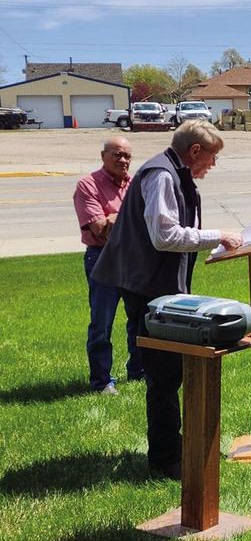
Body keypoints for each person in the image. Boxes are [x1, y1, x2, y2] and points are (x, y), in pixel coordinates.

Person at [92, 121, 242, 479]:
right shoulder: (161, 175)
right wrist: (216, 236)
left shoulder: (174, 172)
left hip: (159, 288)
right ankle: (165, 459)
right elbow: (164, 235)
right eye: (212, 156)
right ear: (194, 152)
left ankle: (179, 449)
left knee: (171, 372)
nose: (213, 164)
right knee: (163, 375)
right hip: (146, 290)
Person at [72, 136, 144, 394]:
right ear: (103, 156)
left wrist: (116, 219)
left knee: (139, 319)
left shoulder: (135, 184)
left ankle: (138, 371)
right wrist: (127, 219)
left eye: (127, 156)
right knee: (102, 323)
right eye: (117, 155)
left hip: (133, 259)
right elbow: (100, 229)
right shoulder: (88, 185)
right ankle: (102, 381)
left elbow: (147, 222)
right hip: (102, 259)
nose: (123, 160)